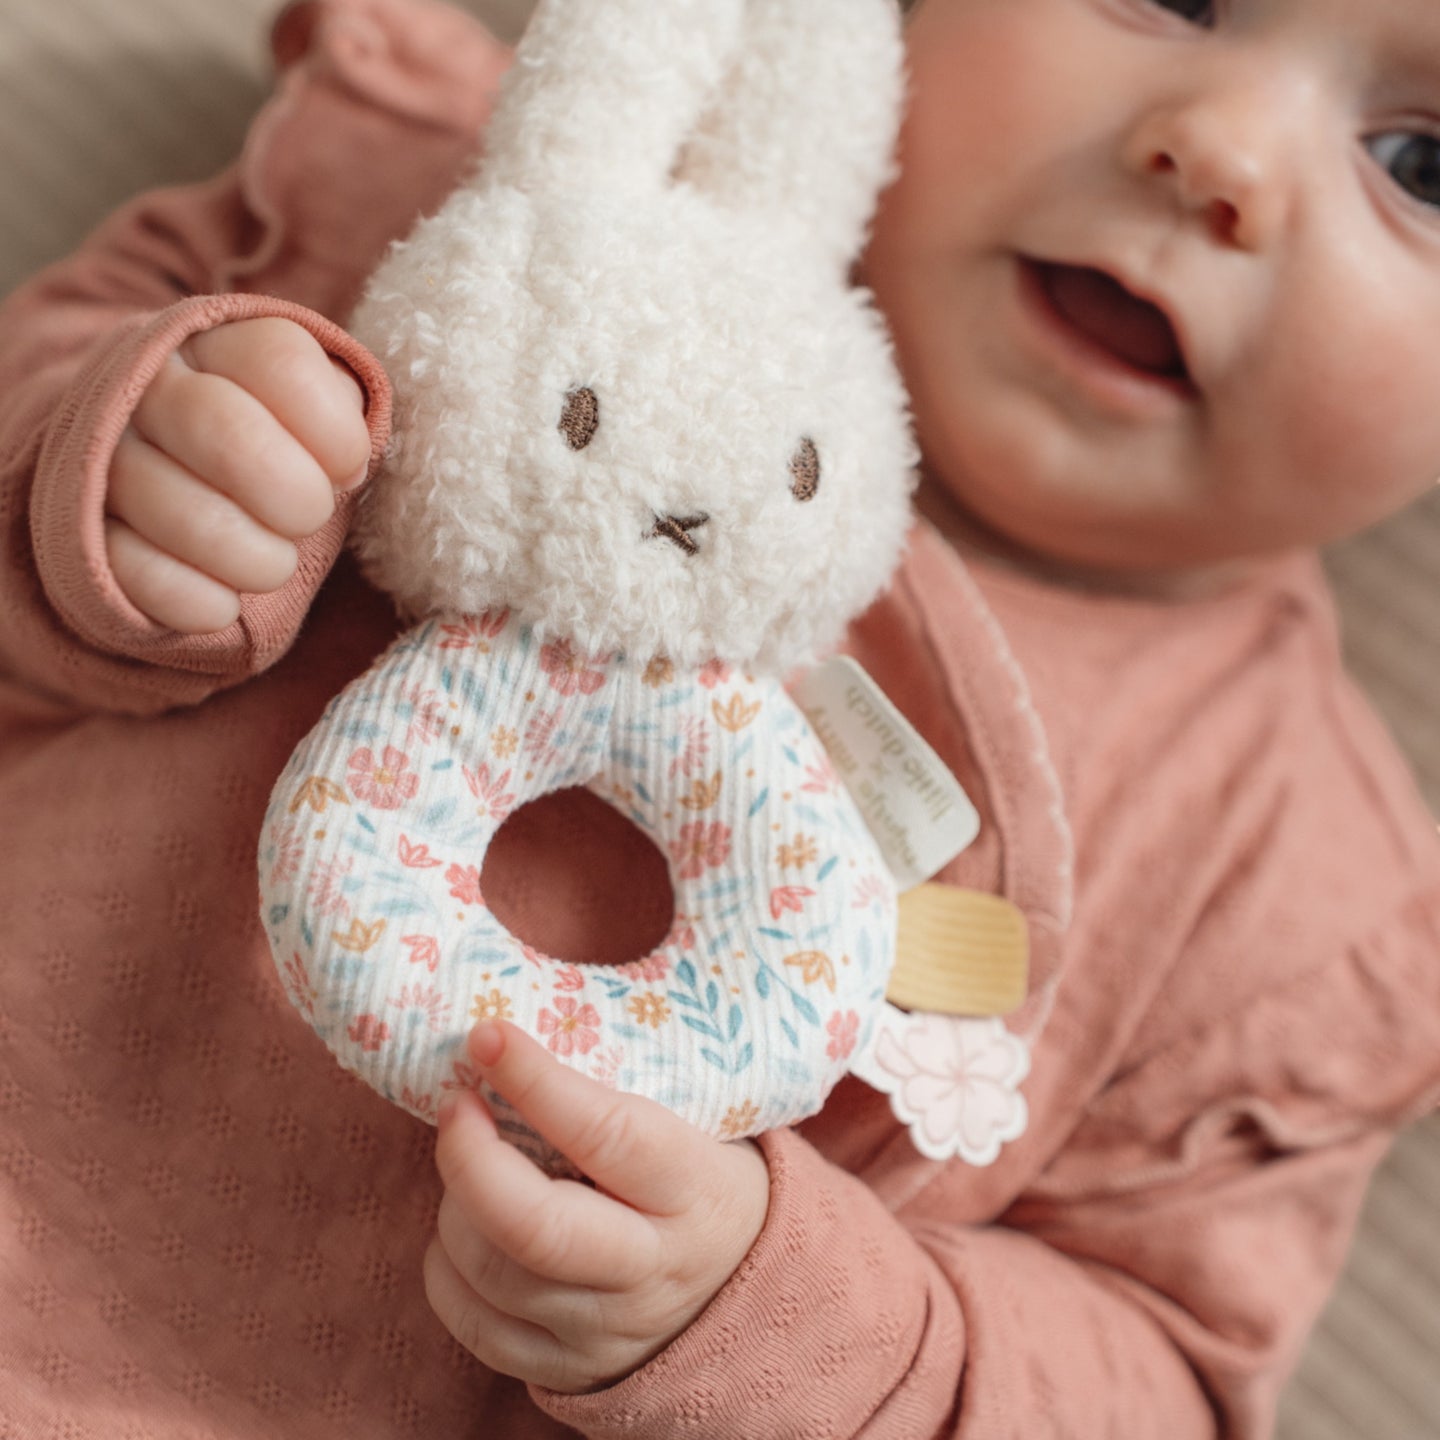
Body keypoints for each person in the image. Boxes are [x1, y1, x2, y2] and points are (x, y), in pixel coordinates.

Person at [1, 0, 1437, 1435]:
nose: (1221, 151)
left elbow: (1158, 1377)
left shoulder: (1298, 887)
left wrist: (780, 1321)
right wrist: (135, 479)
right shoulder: (482, 213)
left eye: (1421, 165)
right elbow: (51, 396)